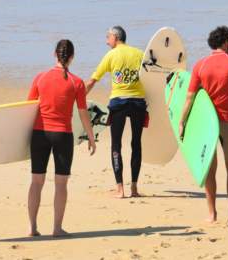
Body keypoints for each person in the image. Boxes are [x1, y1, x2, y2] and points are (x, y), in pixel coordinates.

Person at [178, 26, 228, 224]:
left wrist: (182, 122)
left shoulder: (200, 65)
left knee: (209, 168)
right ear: (225, 42)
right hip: (227, 122)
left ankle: (211, 214)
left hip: (206, 124)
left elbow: (189, 97)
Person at [26, 39, 96, 237]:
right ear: (72, 57)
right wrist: (91, 137)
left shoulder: (40, 77)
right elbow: (83, 113)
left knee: (36, 181)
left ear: (54, 54)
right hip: (62, 136)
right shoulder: (77, 82)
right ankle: (57, 228)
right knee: (61, 184)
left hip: (39, 134)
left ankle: (32, 228)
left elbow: (28, 108)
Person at [85, 26, 146, 198]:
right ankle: (134, 187)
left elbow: (92, 81)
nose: (106, 41)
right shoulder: (140, 54)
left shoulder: (111, 55)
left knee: (116, 144)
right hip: (138, 103)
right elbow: (152, 76)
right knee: (136, 143)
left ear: (115, 37)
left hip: (119, 102)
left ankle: (120, 189)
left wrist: (78, 99)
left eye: (108, 37)